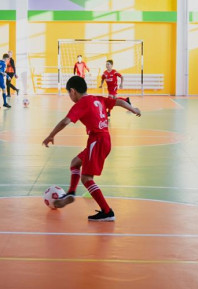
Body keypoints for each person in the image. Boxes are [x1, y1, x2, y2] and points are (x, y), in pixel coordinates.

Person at [43, 76, 141, 221]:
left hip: (97, 141)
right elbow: (119, 101)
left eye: (69, 93)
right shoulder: (97, 98)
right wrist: (133, 109)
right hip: (104, 140)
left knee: (86, 178)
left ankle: (107, 212)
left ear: (73, 91)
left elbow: (65, 121)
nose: (70, 96)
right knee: (75, 162)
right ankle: (71, 193)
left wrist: (51, 135)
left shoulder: (81, 104)